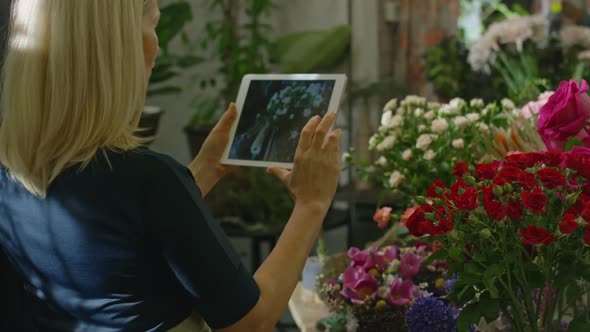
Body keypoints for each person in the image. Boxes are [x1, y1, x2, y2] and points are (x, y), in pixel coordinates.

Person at [0, 1, 342, 331]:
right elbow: (249, 323)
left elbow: (127, 226)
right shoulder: (148, 179)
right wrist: (312, 203)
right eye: (153, 25)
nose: (157, 48)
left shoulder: (12, 170)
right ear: (125, 49)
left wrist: (203, 171)